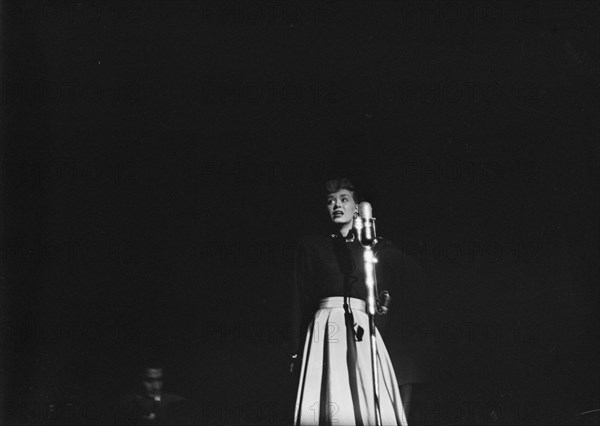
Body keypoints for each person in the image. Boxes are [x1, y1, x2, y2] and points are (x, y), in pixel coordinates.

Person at [290, 178, 409, 425]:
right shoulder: (313, 246)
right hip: (326, 328)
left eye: (344, 199)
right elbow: (300, 297)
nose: (336, 205)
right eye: (331, 201)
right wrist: (295, 348)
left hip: (362, 328)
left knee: (365, 397)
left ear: (357, 206)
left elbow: (383, 296)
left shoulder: (372, 247)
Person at [117, 366, 192, 426]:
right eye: (149, 380)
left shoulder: (177, 403)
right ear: (139, 380)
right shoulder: (126, 404)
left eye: (159, 380)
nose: (156, 387)